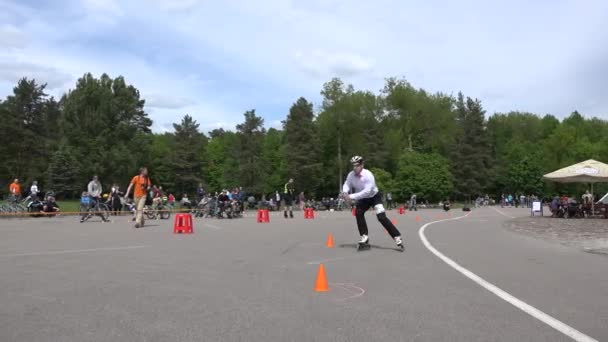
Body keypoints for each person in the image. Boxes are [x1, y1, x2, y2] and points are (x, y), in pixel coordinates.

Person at [340, 156, 404, 251]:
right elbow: (347, 184)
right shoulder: (351, 175)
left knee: (381, 217)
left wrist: (351, 196)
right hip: (363, 199)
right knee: (358, 213)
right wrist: (345, 192)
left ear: (362, 165)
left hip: (374, 197)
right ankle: (364, 236)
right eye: (353, 166)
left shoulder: (368, 175)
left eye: (357, 165)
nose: (355, 168)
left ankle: (397, 236)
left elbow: (367, 191)